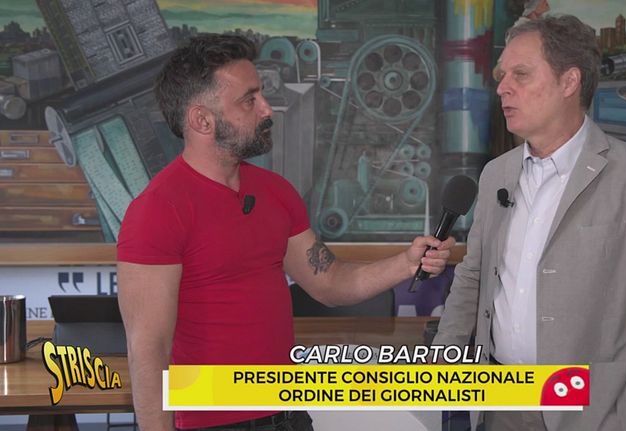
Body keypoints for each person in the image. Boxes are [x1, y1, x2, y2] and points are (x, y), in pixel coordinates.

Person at [116, 34, 455, 431]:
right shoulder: (157, 210)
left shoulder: (275, 192)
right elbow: (148, 349)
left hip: (287, 414)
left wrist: (407, 263)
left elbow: (330, 283)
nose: (266, 108)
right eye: (249, 100)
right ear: (201, 120)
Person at [433, 15, 626, 431]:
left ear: (569, 82)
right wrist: (440, 373)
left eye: (521, 74)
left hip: (591, 413)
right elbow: (473, 278)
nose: (503, 87)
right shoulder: (496, 175)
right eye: (502, 76)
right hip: (498, 405)